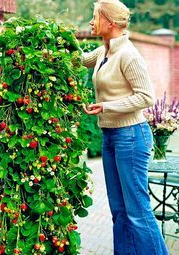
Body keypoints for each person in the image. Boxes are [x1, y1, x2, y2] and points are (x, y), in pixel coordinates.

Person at [81, 0, 169, 254]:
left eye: (95, 16)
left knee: (138, 212)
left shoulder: (128, 55)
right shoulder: (103, 52)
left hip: (131, 136)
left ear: (110, 22)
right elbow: (78, 59)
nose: (90, 21)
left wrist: (107, 106)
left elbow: (147, 97)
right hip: (110, 136)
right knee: (119, 211)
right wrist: (53, 41)